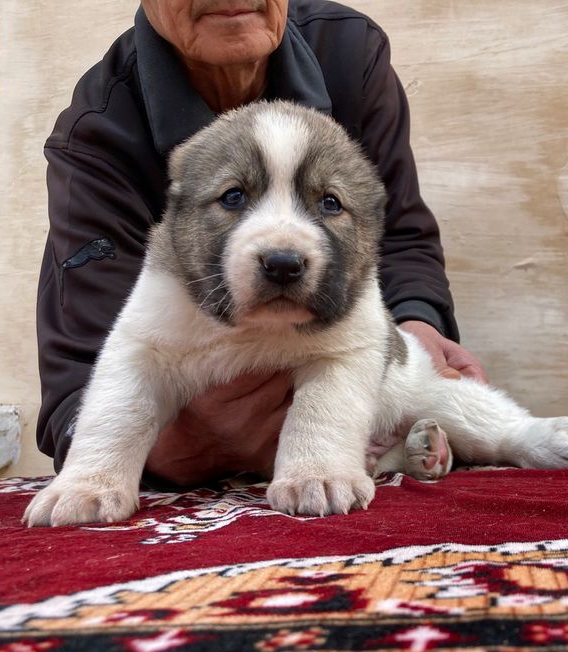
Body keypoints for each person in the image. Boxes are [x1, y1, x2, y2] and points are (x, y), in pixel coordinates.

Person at [36, 0, 486, 487]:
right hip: (196, 431)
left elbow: (394, 230)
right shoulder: (96, 131)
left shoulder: (348, 51)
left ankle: (391, 448)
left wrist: (418, 322)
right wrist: (181, 447)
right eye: (232, 197)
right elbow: (85, 375)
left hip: (341, 378)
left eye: (326, 202)